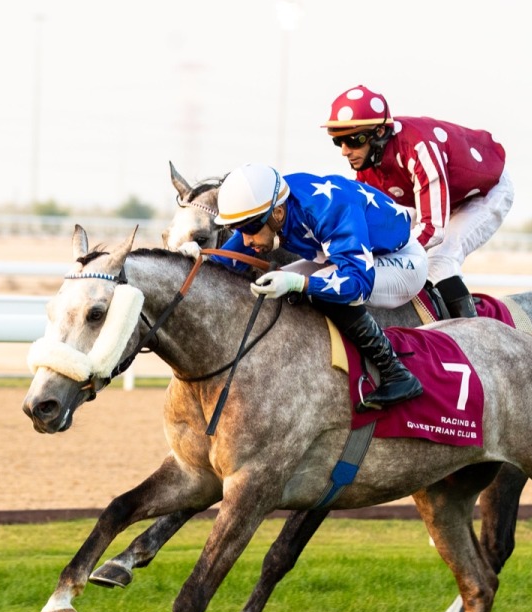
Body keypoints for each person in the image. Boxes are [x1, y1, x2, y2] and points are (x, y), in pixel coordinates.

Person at [213, 162, 428, 410]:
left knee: (316, 289)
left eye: (249, 228)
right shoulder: (268, 207)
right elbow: (221, 264)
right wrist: (193, 258)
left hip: (401, 261)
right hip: (346, 257)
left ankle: (395, 373)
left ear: (278, 214)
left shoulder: (328, 208)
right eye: (236, 229)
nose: (245, 239)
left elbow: (358, 284)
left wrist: (300, 283)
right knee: (267, 286)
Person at [320, 84, 513, 319]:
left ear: (380, 133)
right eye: (338, 141)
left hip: (485, 192)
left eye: (354, 139)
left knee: (440, 258)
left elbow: (433, 230)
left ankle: (471, 334)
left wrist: (392, 256)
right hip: (442, 195)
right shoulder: (367, 167)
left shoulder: (418, 147)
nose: (345, 151)